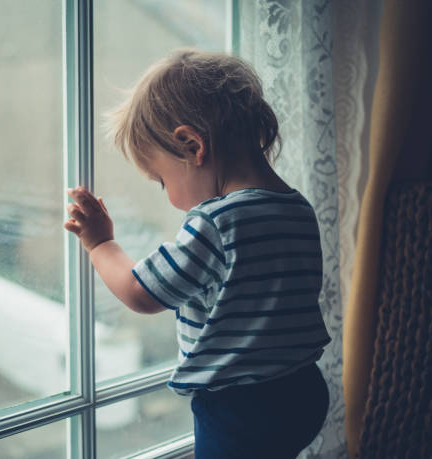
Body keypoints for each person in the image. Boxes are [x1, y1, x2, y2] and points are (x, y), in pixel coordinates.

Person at [64, 49, 331, 459]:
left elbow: (142, 292)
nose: (169, 197)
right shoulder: (297, 207)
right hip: (303, 391)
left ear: (191, 146)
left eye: (161, 180)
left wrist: (100, 244)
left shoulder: (216, 221)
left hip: (242, 408)